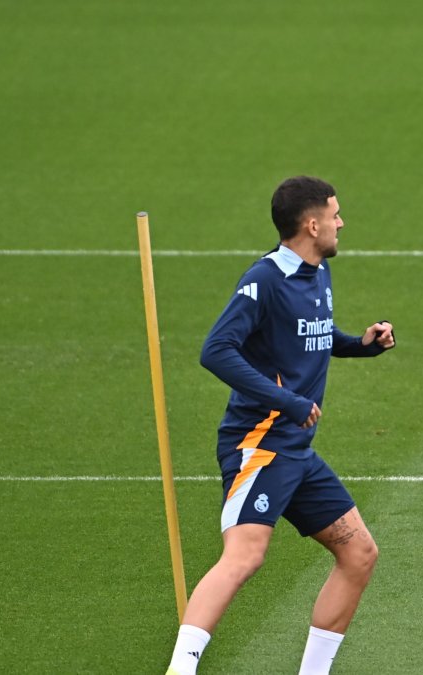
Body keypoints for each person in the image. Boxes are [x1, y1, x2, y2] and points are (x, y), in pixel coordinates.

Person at [166, 176, 396, 675]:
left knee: (359, 554)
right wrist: (284, 400)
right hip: (261, 444)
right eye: (335, 214)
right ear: (311, 225)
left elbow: (313, 335)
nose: (341, 222)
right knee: (245, 555)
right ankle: (180, 670)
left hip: (297, 451)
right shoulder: (265, 280)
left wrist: (362, 343)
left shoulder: (317, 273)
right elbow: (216, 350)